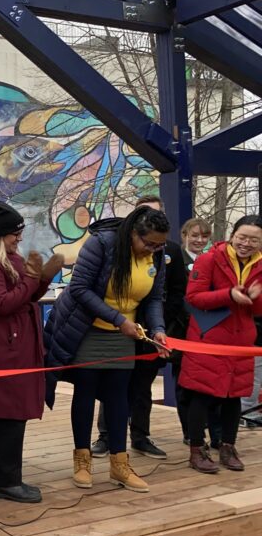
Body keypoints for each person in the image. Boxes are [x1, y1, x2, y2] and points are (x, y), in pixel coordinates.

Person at [44, 205, 169, 492]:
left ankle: (119, 464)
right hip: (88, 328)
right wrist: (116, 319)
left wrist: (158, 329)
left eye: (159, 245)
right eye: (148, 243)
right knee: (86, 392)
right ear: (133, 234)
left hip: (125, 334)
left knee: (118, 396)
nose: (152, 250)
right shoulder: (102, 243)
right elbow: (80, 289)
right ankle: (82, 461)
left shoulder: (157, 255)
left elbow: (153, 298)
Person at [0, 203, 63, 503]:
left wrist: (44, 278)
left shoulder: (11, 259)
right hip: (3, 346)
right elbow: (3, 303)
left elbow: (27, 295)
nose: (19, 239)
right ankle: (4, 479)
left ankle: (4, 474)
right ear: (1, 235)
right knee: (5, 413)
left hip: (17, 342)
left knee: (13, 414)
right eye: (15, 234)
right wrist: (33, 279)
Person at [90, 196, 188, 460]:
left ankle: (141, 436)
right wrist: (122, 320)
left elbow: (174, 293)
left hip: (150, 332)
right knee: (112, 383)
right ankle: (106, 436)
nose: (153, 247)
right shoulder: (112, 246)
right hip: (116, 326)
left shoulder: (170, 252)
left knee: (143, 386)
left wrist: (158, 327)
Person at [179, 215, 262, 474]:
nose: (246, 243)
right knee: (201, 394)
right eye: (242, 237)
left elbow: (257, 311)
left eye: (254, 240)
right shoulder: (209, 259)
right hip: (209, 338)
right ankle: (196, 449)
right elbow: (193, 298)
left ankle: (227, 446)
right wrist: (228, 295)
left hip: (241, 340)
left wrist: (253, 298)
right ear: (232, 235)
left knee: (234, 395)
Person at [180, 218, 222, 446]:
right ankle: (190, 433)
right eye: (194, 235)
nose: (199, 240)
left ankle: (218, 435)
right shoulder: (177, 259)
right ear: (185, 235)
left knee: (212, 385)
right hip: (184, 329)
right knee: (186, 387)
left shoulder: (213, 261)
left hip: (209, 329)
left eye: (204, 236)